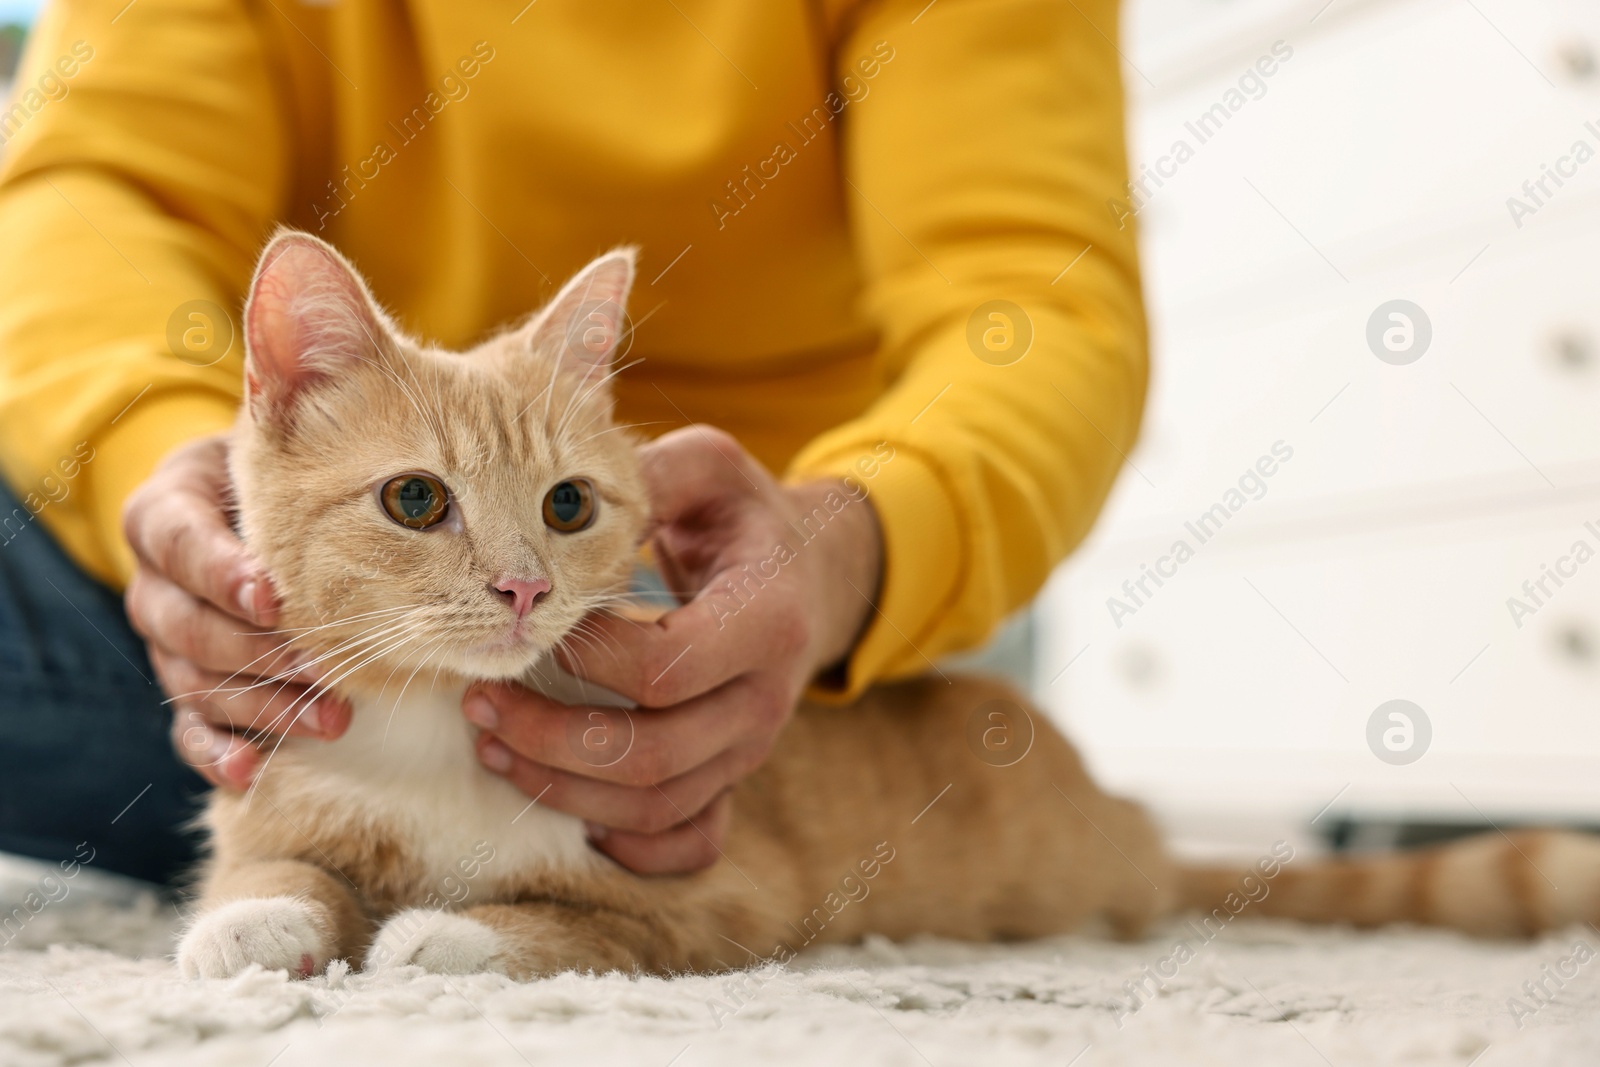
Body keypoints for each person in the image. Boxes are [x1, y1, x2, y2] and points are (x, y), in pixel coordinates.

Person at [0, 0, 1146, 885]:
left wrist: (861, 547)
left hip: (722, 586)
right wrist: (156, 458)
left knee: (780, 809)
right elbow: (97, 192)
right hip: (302, 562)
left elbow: (1036, 294)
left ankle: (392, 824)